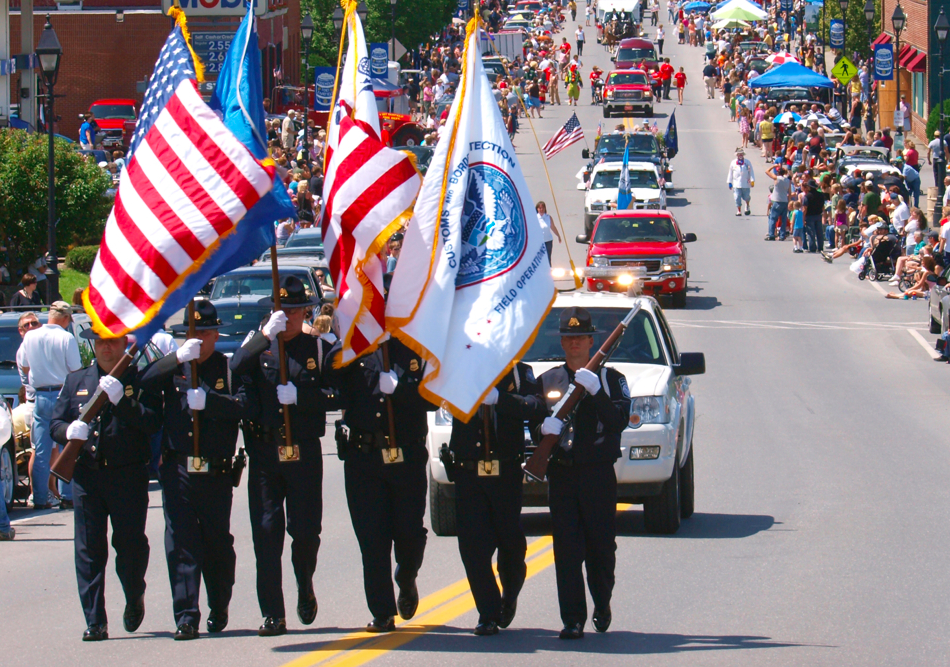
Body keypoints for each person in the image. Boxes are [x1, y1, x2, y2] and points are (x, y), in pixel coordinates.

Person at [230, 276, 334, 637]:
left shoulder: (318, 347)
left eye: (297, 311)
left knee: (306, 532)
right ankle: (273, 613)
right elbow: (234, 369)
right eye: (284, 311)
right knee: (266, 535)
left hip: (303, 452)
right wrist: (262, 338)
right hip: (264, 452)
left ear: (306, 310)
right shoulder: (257, 346)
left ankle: (304, 583)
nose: (291, 318)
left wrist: (302, 398)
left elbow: (336, 395)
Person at [139, 302, 247, 640]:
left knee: (216, 543)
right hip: (178, 469)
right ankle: (186, 616)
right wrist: (176, 359)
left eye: (205, 333)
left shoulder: (227, 369)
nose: (200, 339)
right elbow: (145, 379)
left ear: (217, 334)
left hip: (215, 472)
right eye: (193, 333)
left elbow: (246, 407)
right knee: (181, 544)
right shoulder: (174, 370)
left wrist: (212, 401)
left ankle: (219, 603)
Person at [50, 329, 162, 641]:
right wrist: (68, 431)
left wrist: (122, 402)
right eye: (99, 342)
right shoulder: (77, 380)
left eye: (111, 341)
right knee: (88, 551)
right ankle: (95, 620)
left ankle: (133, 593)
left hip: (127, 476)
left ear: (124, 343)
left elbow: (153, 422)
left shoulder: (140, 379)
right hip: (88, 475)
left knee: (130, 547)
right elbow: (55, 423)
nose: (105, 348)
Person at [535, 307, 631, 640]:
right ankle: (573, 619)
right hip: (562, 474)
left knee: (602, 548)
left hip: (598, 475)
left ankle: (601, 602)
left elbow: (619, 421)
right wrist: (540, 429)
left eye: (580, 338)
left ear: (592, 341)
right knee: (566, 549)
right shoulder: (548, 380)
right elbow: (537, 423)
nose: (573, 344)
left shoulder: (612, 380)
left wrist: (596, 391)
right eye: (568, 338)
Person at [446, 362, 545, 635]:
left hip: (505, 472)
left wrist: (501, 399)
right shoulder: (458, 365)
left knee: (510, 542)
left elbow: (536, 404)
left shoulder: (517, 370)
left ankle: (510, 591)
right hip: (468, 471)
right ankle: (487, 612)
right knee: (472, 547)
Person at [19, 301, 82, 509]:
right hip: (62, 393)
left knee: (42, 449)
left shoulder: (30, 336)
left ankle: (39, 497)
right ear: (65, 318)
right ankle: (66, 494)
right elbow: (75, 370)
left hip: (40, 396)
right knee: (66, 445)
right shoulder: (66, 337)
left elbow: (25, 365)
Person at [726, 148, 755, 216]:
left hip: (746, 183)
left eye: (741, 154)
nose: (740, 155)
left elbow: (751, 172)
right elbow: (730, 172)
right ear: (737, 155)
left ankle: (747, 206)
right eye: (739, 154)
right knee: (737, 197)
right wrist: (729, 182)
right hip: (736, 183)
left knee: (746, 197)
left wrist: (752, 180)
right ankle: (739, 211)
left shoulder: (747, 162)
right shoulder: (733, 163)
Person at [765, 164, 790, 241]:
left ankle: (771, 234)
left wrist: (774, 166)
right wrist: (788, 202)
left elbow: (767, 171)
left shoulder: (776, 178)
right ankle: (782, 235)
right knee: (783, 219)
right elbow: (789, 192)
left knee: (773, 218)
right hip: (784, 200)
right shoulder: (788, 180)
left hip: (777, 201)